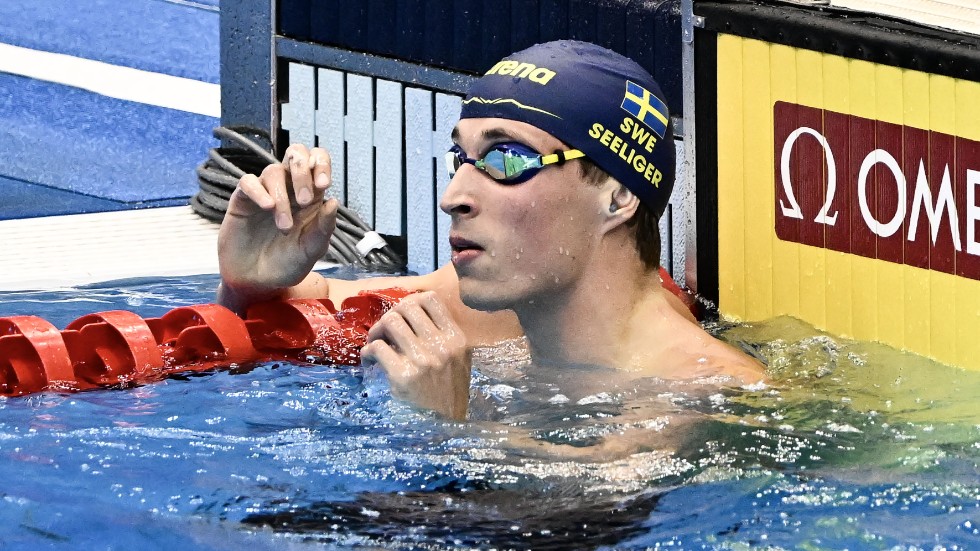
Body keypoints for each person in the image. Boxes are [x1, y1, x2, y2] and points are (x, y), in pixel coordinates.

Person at [217, 40, 764, 421]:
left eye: (505, 159)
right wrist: (247, 282)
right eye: (462, 157)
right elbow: (306, 314)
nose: (453, 196)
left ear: (617, 196)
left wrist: (435, 433)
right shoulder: (484, 311)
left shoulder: (701, 397)